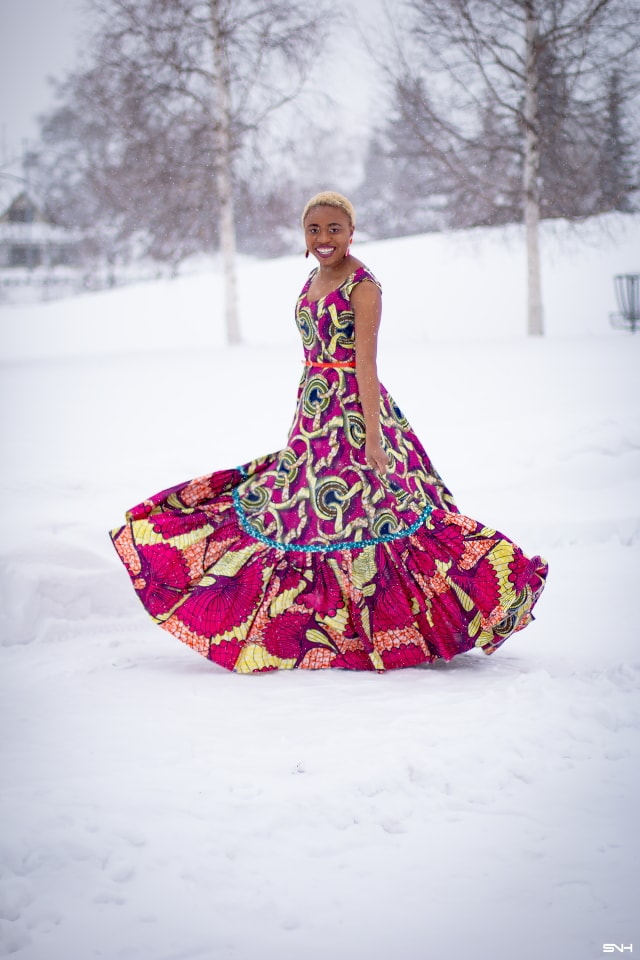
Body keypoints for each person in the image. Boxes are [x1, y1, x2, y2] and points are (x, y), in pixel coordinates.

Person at [110, 191, 548, 673]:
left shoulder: (364, 286)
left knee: (374, 514)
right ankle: (324, 628)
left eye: (334, 229)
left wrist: (374, 438)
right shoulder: (313, 279)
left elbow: (366, 363)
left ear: (351, 232)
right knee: (300, 515)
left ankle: (416, 621)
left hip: (354, 414)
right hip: (313, 415)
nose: (324, 239)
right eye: (314, 230)